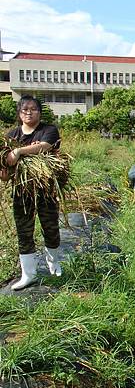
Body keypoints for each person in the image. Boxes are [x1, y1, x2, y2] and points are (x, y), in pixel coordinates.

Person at [4, 95, 62, 290]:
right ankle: (28, 274)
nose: (28, 112)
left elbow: (46, 147)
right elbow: (6, 168)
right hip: (22, 193)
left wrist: (19, 151)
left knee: (50, 228)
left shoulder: (49, 130)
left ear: (39, 112)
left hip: (46, 190)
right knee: (24, 232)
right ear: (19, 113)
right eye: (24, 109)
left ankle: (53, 263)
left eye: (33, 109)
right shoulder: (12, 135)